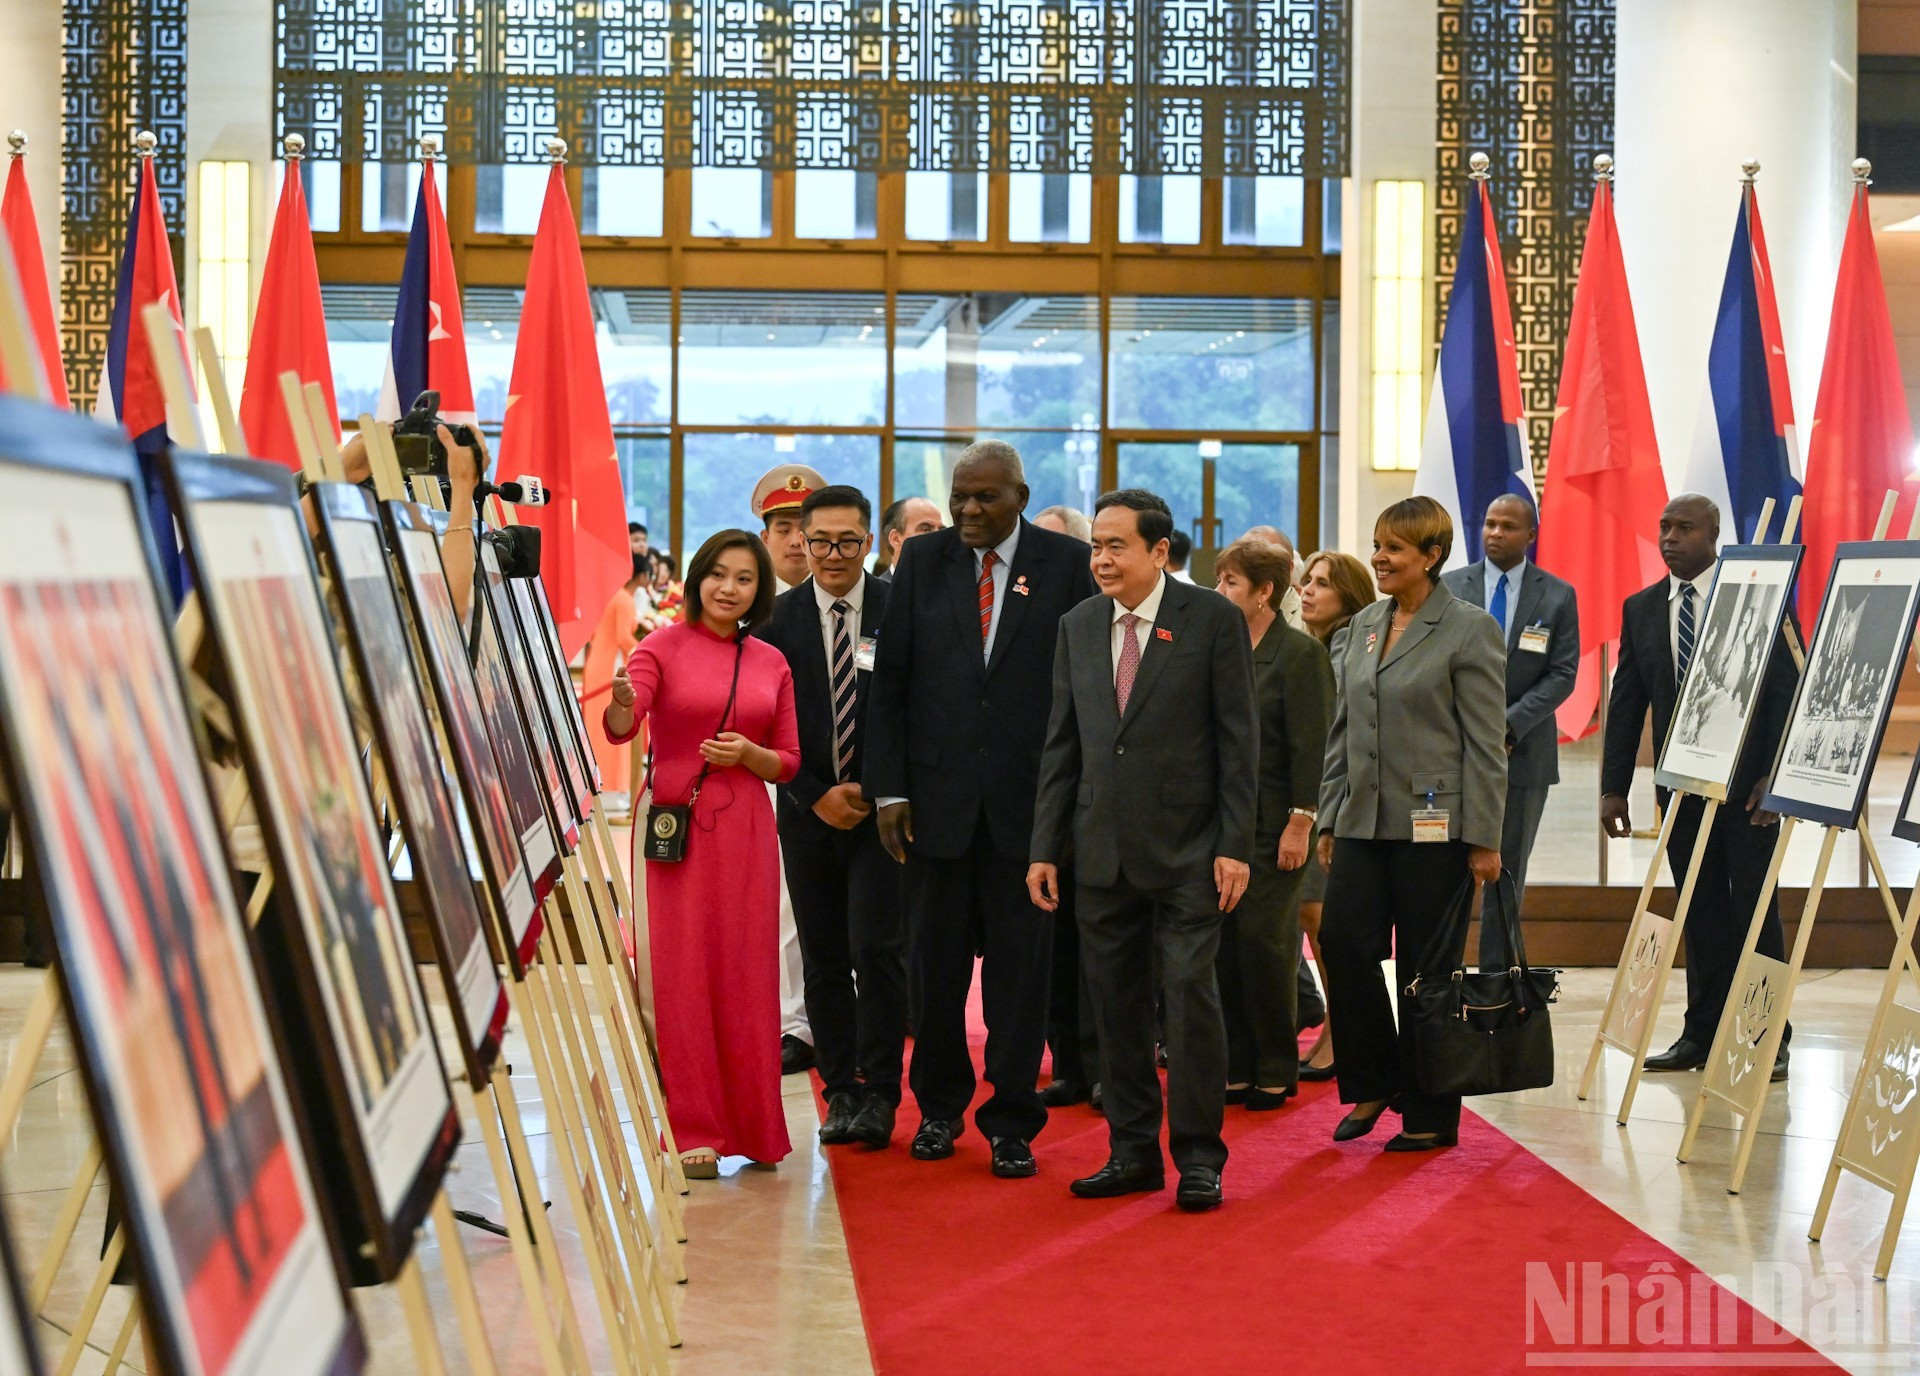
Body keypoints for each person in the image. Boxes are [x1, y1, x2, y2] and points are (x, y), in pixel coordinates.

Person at [865, 439, 1099, 1178]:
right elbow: (891, 684)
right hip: (933, 811)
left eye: (985, 498)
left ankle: (1011, 1124)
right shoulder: (922, 562)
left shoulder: (1066, 566)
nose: (968, 509)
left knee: (1019, 981)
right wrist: (890, 790)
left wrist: (1071, 810)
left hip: (1029, 816)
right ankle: (938, 1112)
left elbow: (1082, 695)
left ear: (1020, 499)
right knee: (932, 978)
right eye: (961, 496)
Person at [1028, 489, 1256, 1211]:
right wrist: (1044, 847)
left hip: (1192, 853)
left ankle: (1197, 1157)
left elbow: (1237, 742)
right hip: (1100, 854)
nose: (1100, 558)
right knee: (1115, 1010)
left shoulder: (1211, 620)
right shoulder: (1078, 624)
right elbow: (1062, 743)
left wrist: (1234, 844)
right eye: (1096, 545)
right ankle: (1131, 1152)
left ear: (1160, 552)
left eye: (1116, 545)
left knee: (1189, 1000)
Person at [604, 529, 801, 1177]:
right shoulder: (660, 645)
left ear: (758, 589)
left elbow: (790, 762)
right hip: (674, 827)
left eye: (744, 578)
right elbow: (623, 724)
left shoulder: (772, 661)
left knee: (745, 973)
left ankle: (755, 1126)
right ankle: (693, 1129)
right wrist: (626, 703)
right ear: (695, 578)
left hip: (746, 828)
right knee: (681, 974)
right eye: (717, 574)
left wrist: (750, 755)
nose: (728, 588)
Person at [1314, 496, 1506, 1152]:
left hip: (1439, 831)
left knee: (1428, 972)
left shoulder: (1469, 628)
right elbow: (1342, 734)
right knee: (1343, 944)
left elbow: (1485, 742)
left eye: (1394, 548)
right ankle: (1373, 1082)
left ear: (1431, 556)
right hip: (1363, 824)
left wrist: (1484, 838)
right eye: (1376, 544)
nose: (1379, 558)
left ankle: (1430, 1111)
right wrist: (1328, 819)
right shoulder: (1362, 625)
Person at [1602, 493, 1795, 1081]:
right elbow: (1628, 699)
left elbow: (1789, 689)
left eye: (1685, 528)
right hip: (1681, 791)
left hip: (1750, 793)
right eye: (1663, 527)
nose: (1670, 537)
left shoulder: (1753, 599)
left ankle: (1767, 1037)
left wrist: (1776, 776)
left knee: (1755, 911)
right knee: (1700, 910)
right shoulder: (1641, 609)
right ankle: (1701, 1033)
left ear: (1715, 536)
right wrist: (1614, 787)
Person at [757, 485, 907, 1149]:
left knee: (878, 953)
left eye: (848, 541)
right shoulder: (775, 624)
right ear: (802, 544)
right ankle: (839, 1089)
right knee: (822, 958)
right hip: (807, 811)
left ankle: (879, 1092)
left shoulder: (900, 611)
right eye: (820, 542)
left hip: (883, 818)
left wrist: (875, 792)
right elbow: (764, 729)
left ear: (870, 542)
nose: (833, 554)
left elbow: (917, 713)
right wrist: (814, 792)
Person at [1211, 537, 1333, 1111]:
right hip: (1223, 823)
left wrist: (1300, 824)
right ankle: (1235, 1064)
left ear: (1265, 592)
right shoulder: (1219, 646)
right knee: (1224, 947)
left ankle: (1275, 1066)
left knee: (1266, 943)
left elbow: (1313, 750)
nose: (1220, 591)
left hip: (1278, 823)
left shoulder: (1299, 655)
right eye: (1219, 581)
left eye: (1231, 582)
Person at [1441, 494, 1580, 964]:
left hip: (1523, 755)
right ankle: (1444, 975)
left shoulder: (1557, 594)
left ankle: (1497, 981)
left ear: (1531, 536)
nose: (1495, 533)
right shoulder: (1449, 587)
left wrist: (1506, 726)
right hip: (1453, 751)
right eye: (1489, 523)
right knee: (1449, 869)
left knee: (1507, 870)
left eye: (1508, 526)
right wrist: (1474, 728)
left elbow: (1562, 674)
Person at [752, 463, 828, 1074]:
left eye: (807, 526)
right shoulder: (747, 604)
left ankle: (817, 1014)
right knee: (780, 905)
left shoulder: (860, 599)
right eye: (784, 526)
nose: (797, 538)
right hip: (764, 773)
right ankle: (791, 1022)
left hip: (840, 779)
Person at [1293, 549, 1378, 1081]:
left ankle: (1344, 1030)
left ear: (1347, 598)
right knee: (1314, 917)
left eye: (1321, 584)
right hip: (1323, 797)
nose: (1307, 590)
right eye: (1306, 581)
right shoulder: (1320, 645)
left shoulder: (1348, 644)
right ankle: (1336, 1026)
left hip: (1338, 802)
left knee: (1324, 920)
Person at [1030, 500, 1098, 1105]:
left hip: (1096, 808)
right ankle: (1068, 1062)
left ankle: (1101, 1064)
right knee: (1050, 947)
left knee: (1093, 948)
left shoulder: (1091, 618)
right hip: (1039, 799)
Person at [584, 553, 649, 811]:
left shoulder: (615, 596)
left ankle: (604, 786)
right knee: (613, 726)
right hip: (611, 665)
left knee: (600, 728)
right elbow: (625, 637)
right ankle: (611, 789)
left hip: (598, 664)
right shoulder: (625, 600)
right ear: (642, 575)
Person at [1243, 524, 1305, 629]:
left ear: (1287, 568)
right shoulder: (1227, 612)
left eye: (1259, 561)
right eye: (1244, 562)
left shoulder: (1307, 619)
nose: (1249, 571)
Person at [873, 496, 944, 579]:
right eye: (926, 529)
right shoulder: (878, 591)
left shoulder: (955, 587)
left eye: (942, 530)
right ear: (896, 539)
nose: (939, 537)